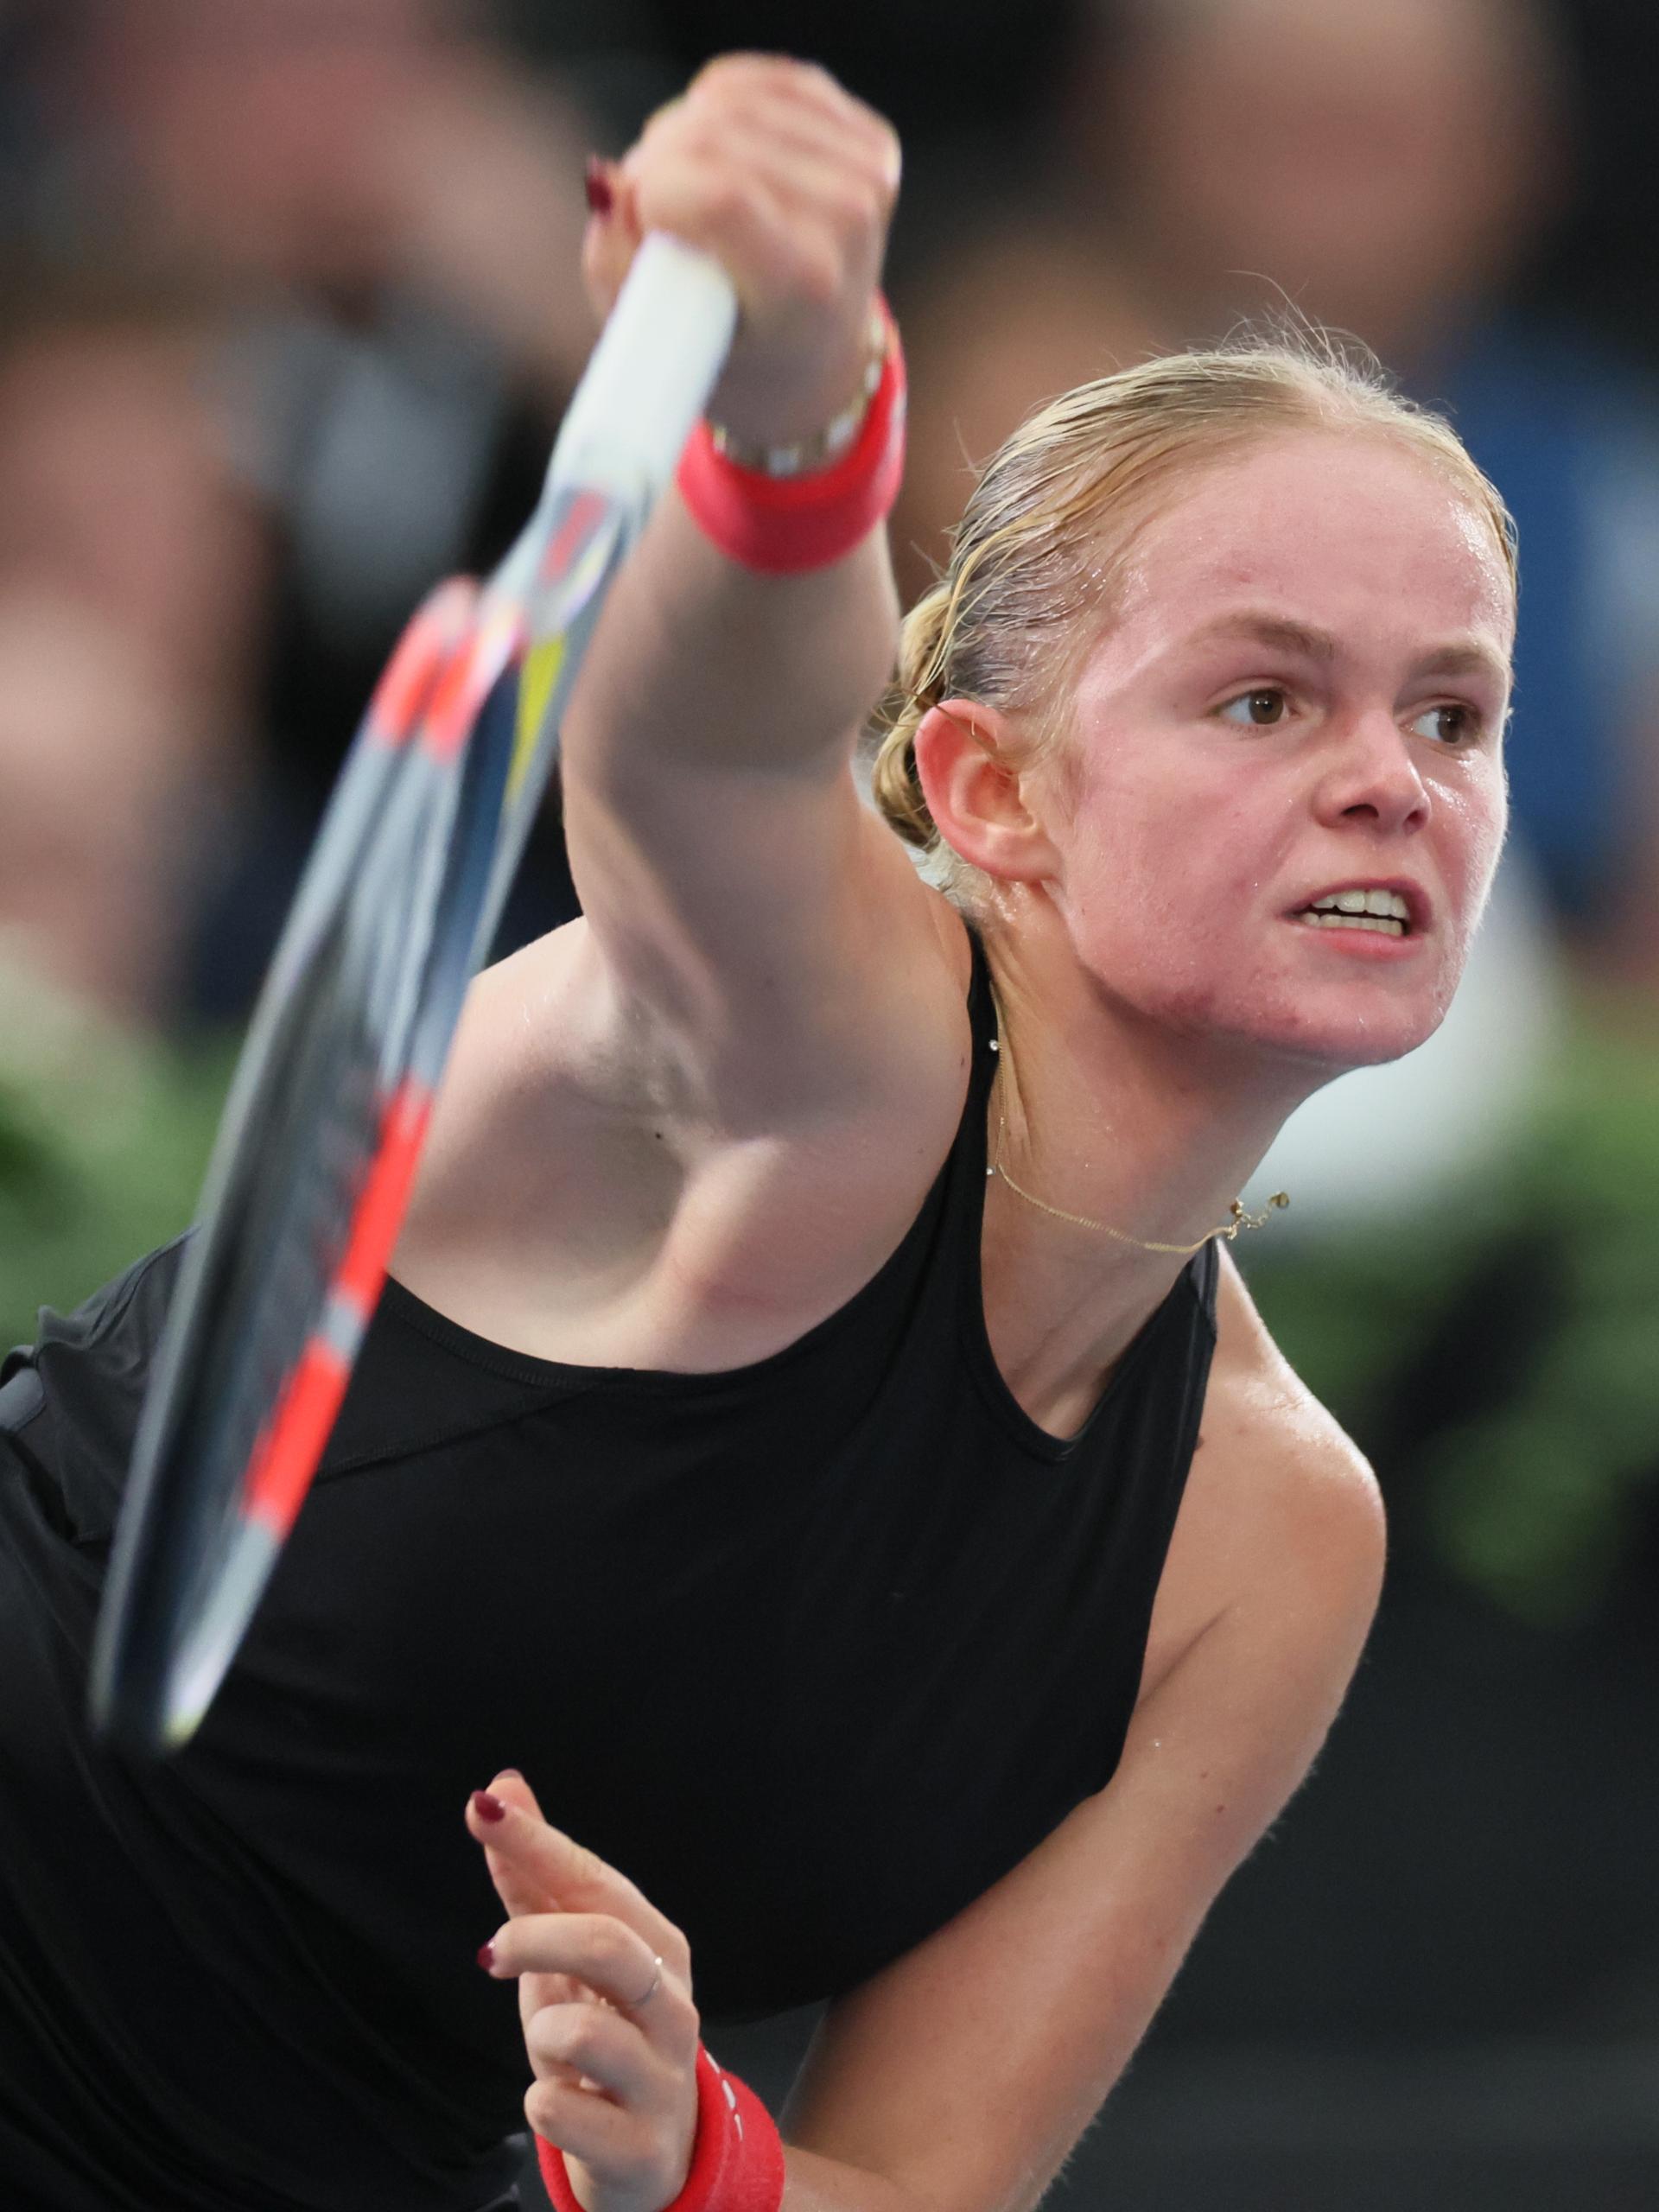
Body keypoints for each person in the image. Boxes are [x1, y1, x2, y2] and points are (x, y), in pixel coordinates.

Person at [0, 53, 1514, 2212]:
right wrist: (798, 402)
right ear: (991, 794)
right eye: (1266, 695)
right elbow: (701, 755)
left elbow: (911, 2175)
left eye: (1452, 711)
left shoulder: (1273, 1538)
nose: (1393, 779)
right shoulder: (836, 1050)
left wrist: (690, 2150)